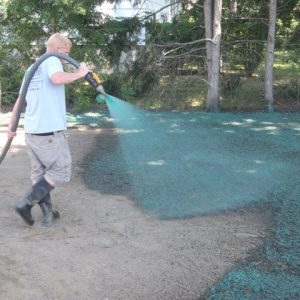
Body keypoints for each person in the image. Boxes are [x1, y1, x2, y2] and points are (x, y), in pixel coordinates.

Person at [7, 33, 90, 226]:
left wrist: (12, 127)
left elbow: (20, 102)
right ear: (55, 49)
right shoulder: (52, 60)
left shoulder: (31, 69)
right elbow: (56, 78)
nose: (66, 57)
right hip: (50, 132)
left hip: (32, 133)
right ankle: (25, 203)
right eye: (65, 53)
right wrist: (81, 73)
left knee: (40, 174)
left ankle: (48, 214)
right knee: (60, 169)